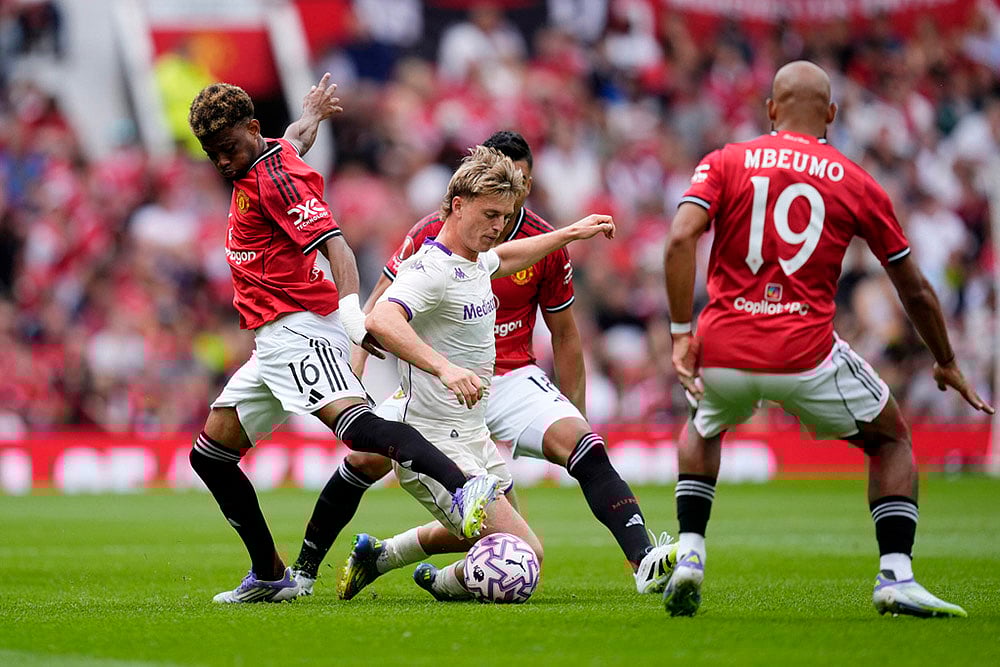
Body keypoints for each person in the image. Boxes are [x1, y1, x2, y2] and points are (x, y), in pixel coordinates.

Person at [662, 60, 994, 618]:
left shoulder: (726, 160)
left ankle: (691, 551)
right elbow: (912, 286)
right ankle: (896, 575)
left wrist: (679, 334)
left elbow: (678, 240)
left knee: (703, 421)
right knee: (891, 440)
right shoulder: (855, 179)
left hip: (723, 344)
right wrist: (946, 360)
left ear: (771, 109)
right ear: (832, 115)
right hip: (805, 351)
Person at [290, 132, 675, 599]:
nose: (499, 226)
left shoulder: (474, 259)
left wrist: (571, 232)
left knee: (525, 546)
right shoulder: (429, 266)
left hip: (475, 431)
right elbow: (382, 318)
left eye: (506, 216)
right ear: (456, 205)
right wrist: (443, 368)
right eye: (490, 215)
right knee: (517, 557)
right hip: (435, 440)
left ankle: (397, 562)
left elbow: (507, 257)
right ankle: (328, 572)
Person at [186, 75, 504, 604]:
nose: (222, 162)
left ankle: (462, 484)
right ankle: (269, 574)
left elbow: (337, 247)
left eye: (227, 149)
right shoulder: (266, 154)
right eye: (211, 154)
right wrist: (311, 114)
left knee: (357, 427)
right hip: (272, 342)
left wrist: (354, 318)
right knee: (211, 454)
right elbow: (294, 138)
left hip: (299, 326)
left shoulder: (277, 181)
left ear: (251, 129)